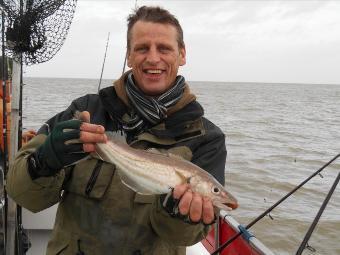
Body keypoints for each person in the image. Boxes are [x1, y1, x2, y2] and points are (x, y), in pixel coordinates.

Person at [7, 6, 227, 255]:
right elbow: (22, 195)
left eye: (164, 48)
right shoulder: (86, 110)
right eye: (142, 48)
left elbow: (184, 237)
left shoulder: (206, 138)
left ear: (182, 54)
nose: (153, 58)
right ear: (129, 56)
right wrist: (44, 161)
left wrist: (179, 212)